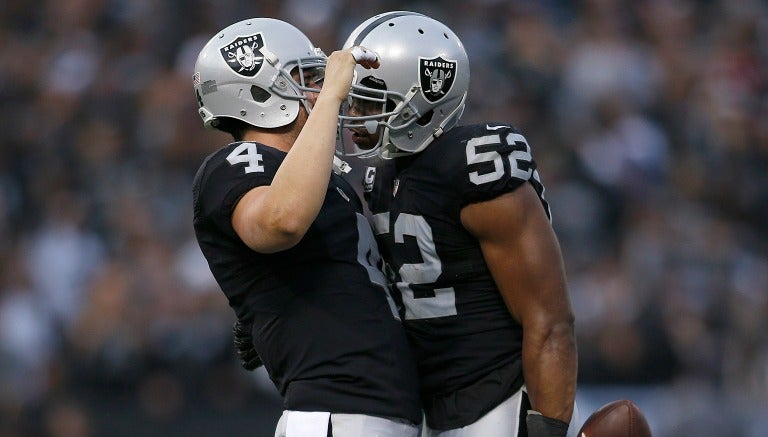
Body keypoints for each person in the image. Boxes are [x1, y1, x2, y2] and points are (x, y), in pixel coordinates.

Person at [336, 11, 578, 437]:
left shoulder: (477, 167)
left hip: (495, 398)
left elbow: (550, 319)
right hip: (426, 408)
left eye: (370, 98)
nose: (355, 113)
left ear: (424, 97)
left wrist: (547, 429)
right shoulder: (381, 177)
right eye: (352, 99)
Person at [190, 18, 421, 437]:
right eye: (307, 77)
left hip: (375, 409)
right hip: (338, 412)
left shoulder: (325, 182)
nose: (320, 88)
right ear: (259, 90)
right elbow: (280, 222)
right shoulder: (234, 163)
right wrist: (332, 93)